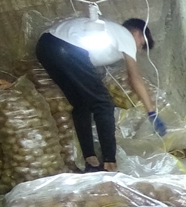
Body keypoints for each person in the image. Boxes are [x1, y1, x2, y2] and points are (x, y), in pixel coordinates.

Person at [35, 16, 165, 172]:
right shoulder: (126, 35)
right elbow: (134, 77)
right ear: (137, 33)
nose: (138, 49)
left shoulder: (110, 33)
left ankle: (91, 161)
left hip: (45, 46)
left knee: (81, 103)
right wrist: (151, 112)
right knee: (104, 104)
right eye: (141, 44)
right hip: (67, 47)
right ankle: (109, 163)